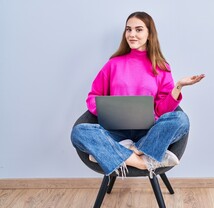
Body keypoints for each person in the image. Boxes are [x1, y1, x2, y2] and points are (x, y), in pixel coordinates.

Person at [71, 11, 205, 178]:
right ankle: (142, 161)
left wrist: (178, 86)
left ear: (149, 34)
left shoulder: (161, 67)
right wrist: (108, 111)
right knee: (79, 132)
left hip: (149, 133)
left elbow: (163, 110)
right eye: (128, 29)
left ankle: (120, 152)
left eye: (139, 29)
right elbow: (93, 96)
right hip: (115, 132)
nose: (132, 34)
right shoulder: (113, 64)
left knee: (181, 120)